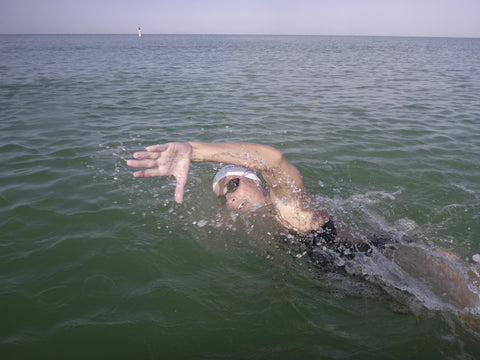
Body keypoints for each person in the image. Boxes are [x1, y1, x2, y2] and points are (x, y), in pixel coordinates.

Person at [127, 141, 480, 316]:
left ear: (256, 183)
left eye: (233, 185)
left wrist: (194, 150)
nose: (231, 200)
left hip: (397, 257)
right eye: (224, 198)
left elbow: (272, 160)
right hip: (379, 282)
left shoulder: (288, 205)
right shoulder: (261, 228)